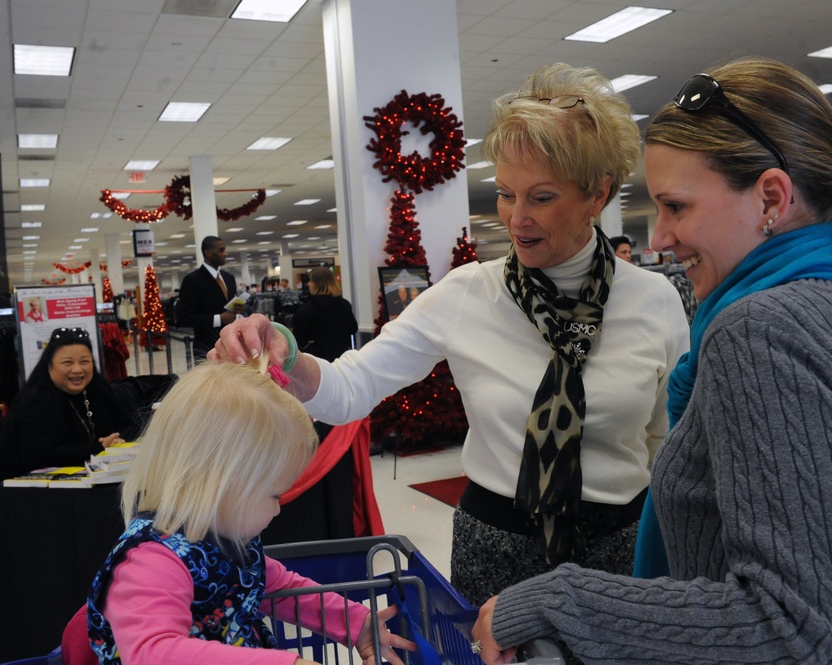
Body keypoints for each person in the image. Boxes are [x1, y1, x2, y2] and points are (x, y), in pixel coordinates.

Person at [470, 57, 832, 664]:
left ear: (771, 199)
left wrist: (554, 599)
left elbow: (792, 627)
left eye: (677, 207)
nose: (658, 239)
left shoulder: (763, 331)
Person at [213, 62, 689, 606]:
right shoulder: (468, 295)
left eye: (542, 197)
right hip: (498, 554)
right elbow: (351, 389)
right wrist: (284, 350)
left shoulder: (654, 301)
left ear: (598, 195)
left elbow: (668, 444)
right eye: (507, 194)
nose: (516, 219)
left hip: (619, 553)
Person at [86, 360, 415, 665]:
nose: (277, 509)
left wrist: (355, 622)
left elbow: (285, 589)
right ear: (219, 484)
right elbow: (151, 652)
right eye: (274, 494)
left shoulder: (226, 541)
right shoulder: (152, 563)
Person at [0, 327, 139, 485]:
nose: (77, 369)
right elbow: (42, 457)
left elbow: (127, 424)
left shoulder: (97, 388)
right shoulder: (39, 400)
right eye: (67, 362)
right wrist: (99, 448)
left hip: (82, 483)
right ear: (49, 366)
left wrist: (117, 440)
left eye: (84, 361)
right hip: (17, 490)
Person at [175, 235, 243, 359]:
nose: (225, 254)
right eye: (221, 250)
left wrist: (237, 312)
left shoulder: (229, 278)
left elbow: (228, 307)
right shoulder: (193, 280)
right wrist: (218, 319)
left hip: (232, 345)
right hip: (206, 348)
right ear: (208, 253)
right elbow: (183, 318)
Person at [291, 267, 358, 363]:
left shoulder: (309, 308)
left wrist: (306, 346)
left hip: (319, 361)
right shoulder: (344, 304)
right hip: (342, 358)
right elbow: (353, 328)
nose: (309, 284)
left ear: (319, 284)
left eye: (311, 281)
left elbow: (298, 332)